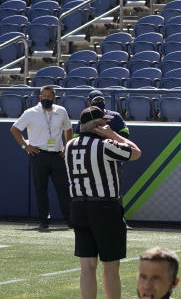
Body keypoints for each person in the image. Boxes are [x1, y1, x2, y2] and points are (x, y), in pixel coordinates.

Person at [65, 106, 141, 299]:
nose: (107, 124)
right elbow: (136, 152)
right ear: (97, 125)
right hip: (105, 208)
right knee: (110, 264)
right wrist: (113, 134)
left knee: (87, 266)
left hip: (78, 207)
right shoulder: (105, 145)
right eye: (104, 122)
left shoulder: (69, 146)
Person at [10, 85, 73, 228]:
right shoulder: (30, 112)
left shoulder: (61, 111)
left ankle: (70, 220)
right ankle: (44, 220)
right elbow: (14, 129)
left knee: (63, 188)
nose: (46, 98)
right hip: (39, 155)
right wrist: (25, 146)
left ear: (54, 97)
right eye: (43, 96)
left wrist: (67, 146)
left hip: (58, 155)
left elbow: (68, 128)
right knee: (41, 189)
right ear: (39, 97)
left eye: (49, 96)